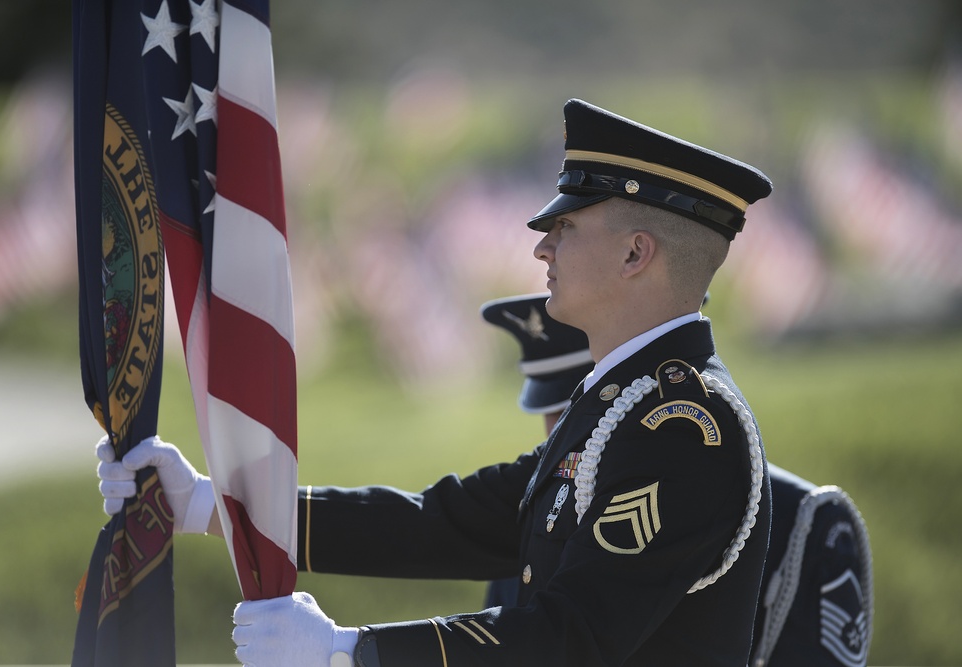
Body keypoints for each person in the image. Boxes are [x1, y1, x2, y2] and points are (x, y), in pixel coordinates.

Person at [98, 98, 776, 666]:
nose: (542, 247)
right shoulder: (624, 405)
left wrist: (350, 652)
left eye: (565, 226)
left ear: (635, 252)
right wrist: (205, 504)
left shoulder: (683, 427)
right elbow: (441, 523)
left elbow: (573, 637)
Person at [480, 292, 874, 667]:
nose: (562, 433)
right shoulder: (535, 512)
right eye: (559, 415)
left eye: (585, 410)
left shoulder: (803, 520)